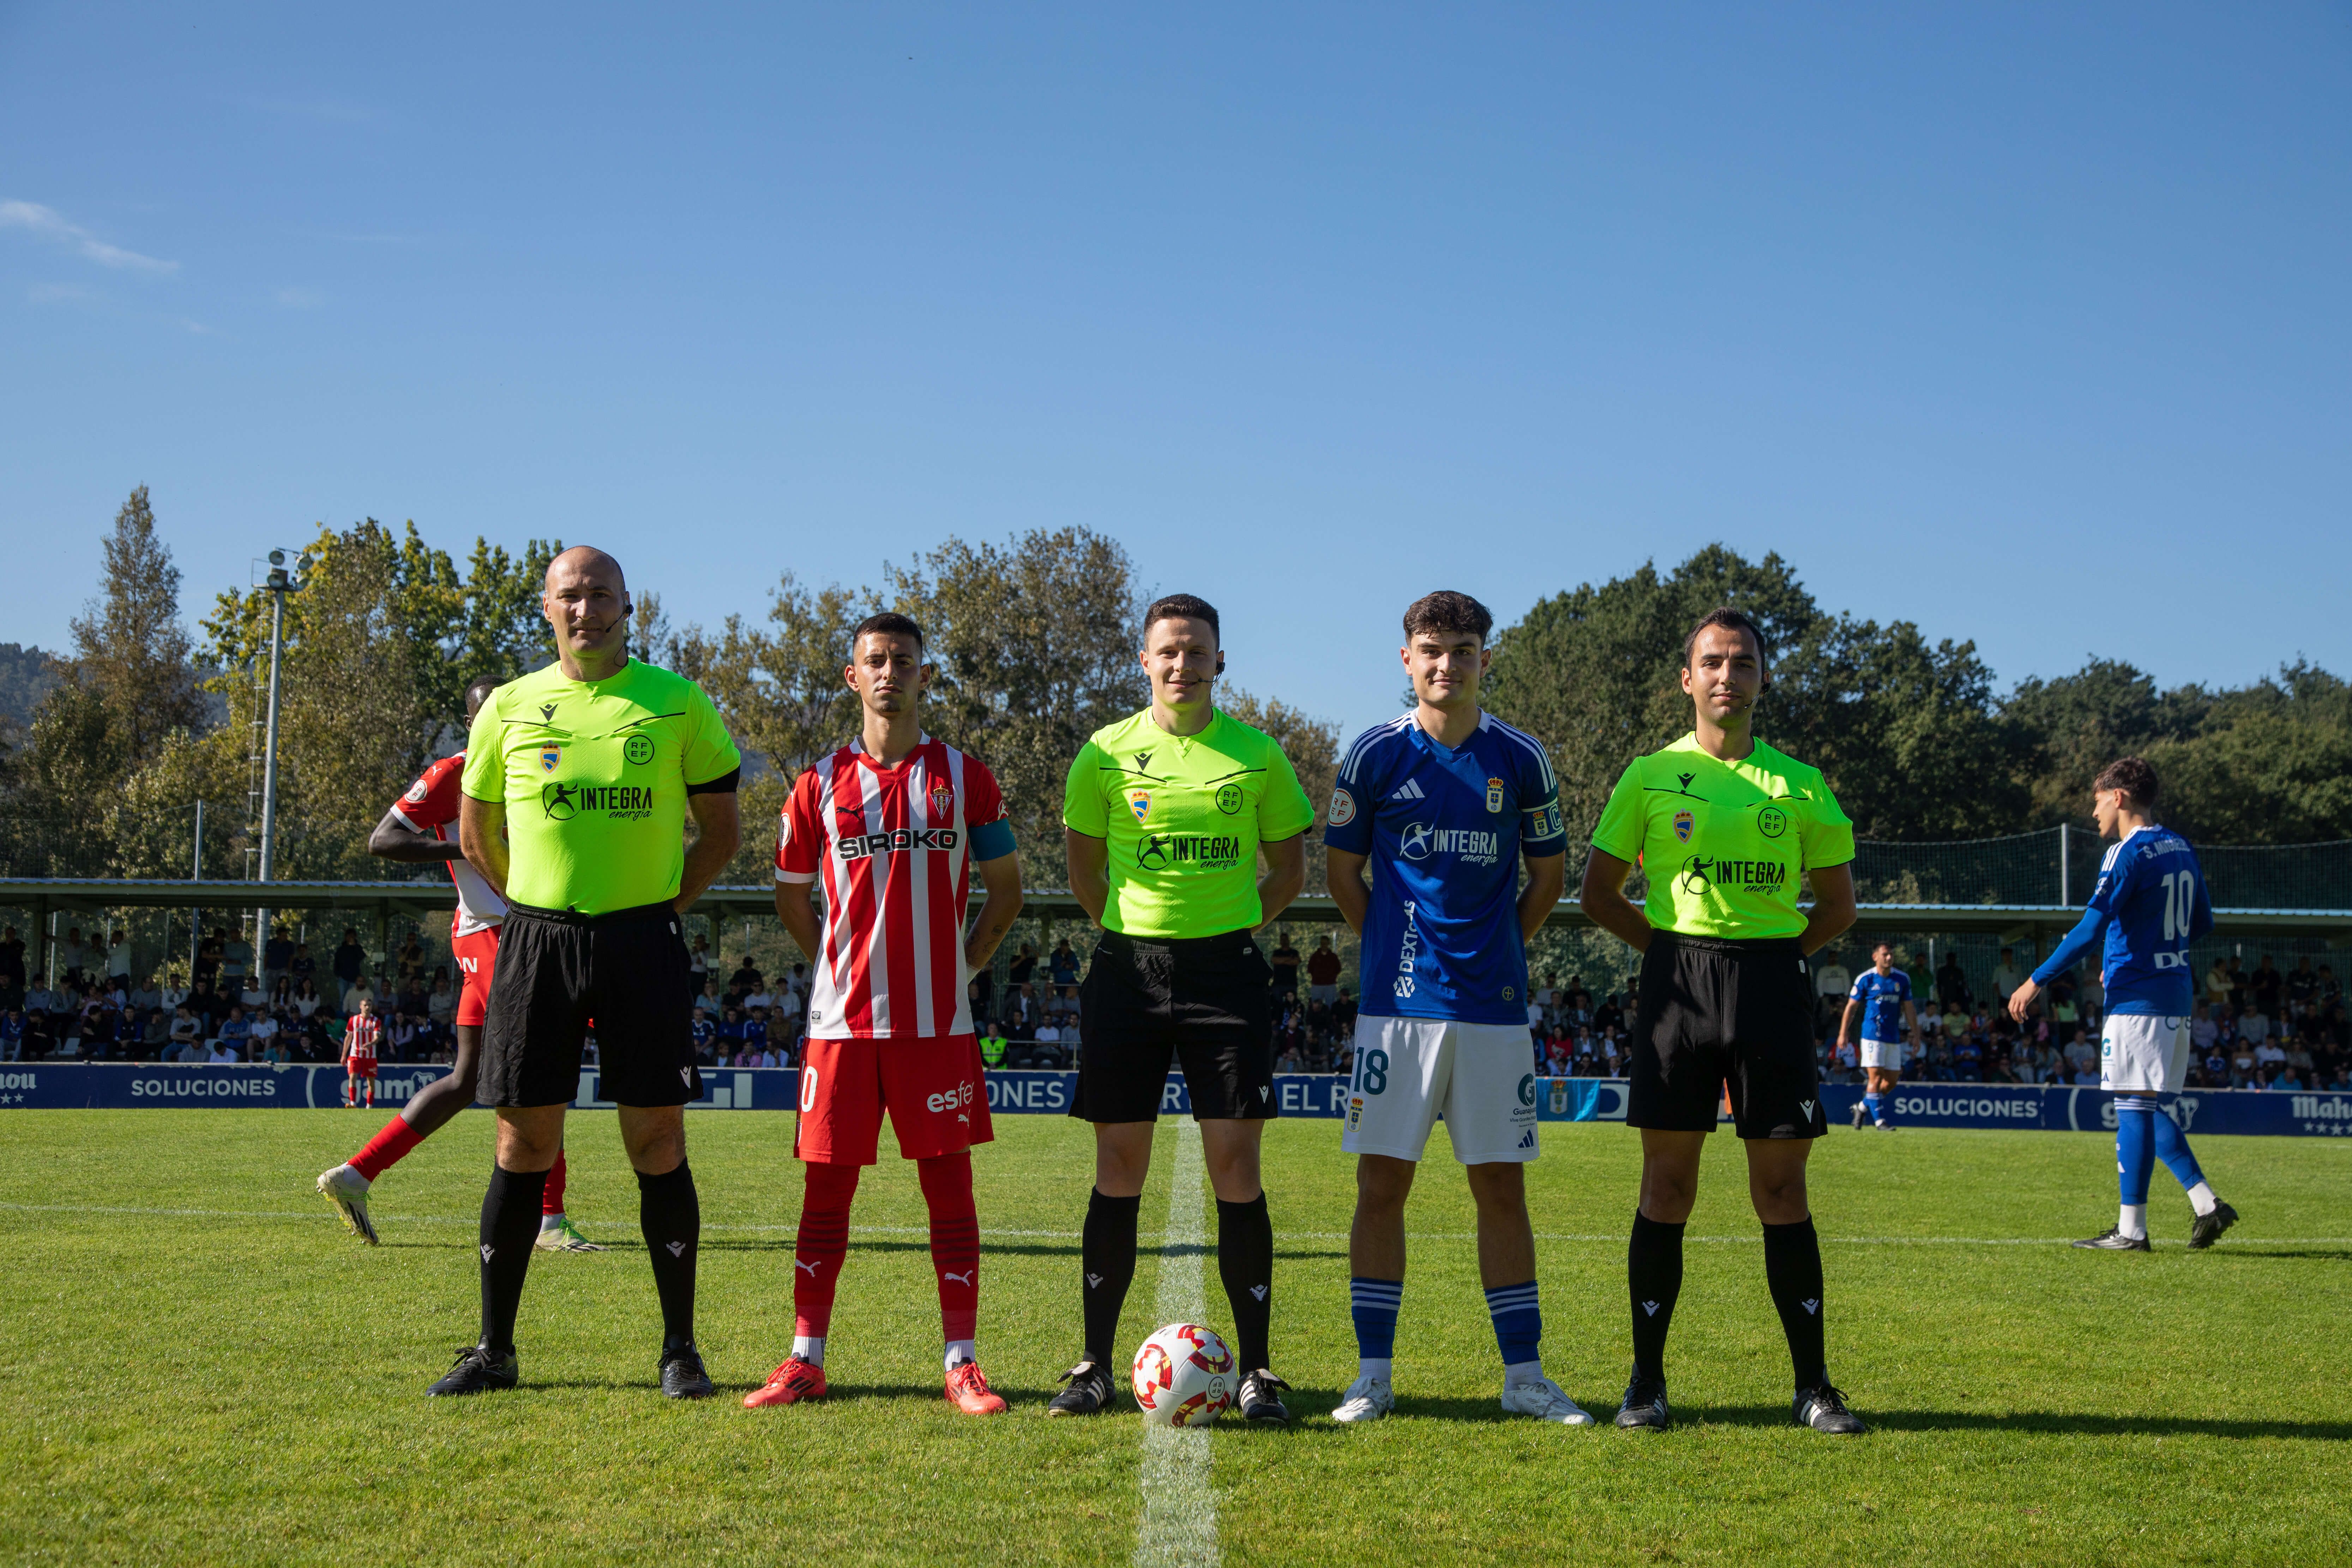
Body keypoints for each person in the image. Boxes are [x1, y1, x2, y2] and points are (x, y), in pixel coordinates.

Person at [424, 545, 743, 1399]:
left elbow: (720, 832)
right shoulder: (510, 706)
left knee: (658, 1141)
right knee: (522, 1140)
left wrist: (660, 907)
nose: (586, 608)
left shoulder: (677, 702)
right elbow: (475, 832)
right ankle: (494, 1348)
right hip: (537, 944)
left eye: (602, 594)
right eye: (571, 594)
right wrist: (530, 905)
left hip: (643, 941)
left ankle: (680, 1348)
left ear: (628, 606)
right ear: (546, 607)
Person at [1579, 607, 1864, 1436]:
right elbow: (1600, 894)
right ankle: (1644, 1383)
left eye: (1742, 662)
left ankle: (1813, 1385)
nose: (1727, 676)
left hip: (1773, 983)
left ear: (1761, 676)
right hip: (1678, 985)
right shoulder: (1648, 775)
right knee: (1666, 1187)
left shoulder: (1800, 782)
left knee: (1782, 1188)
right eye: (1712, 661)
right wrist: (1669, 951)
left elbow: (1839, 906)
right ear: (1687, 677)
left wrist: (1774, 958)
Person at [1322, 590, 1589, 1426]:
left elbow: (1547, 877)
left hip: (1492, 1012)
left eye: (1464, 648)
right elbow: (1341, 873)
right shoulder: (1372, 754)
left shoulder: (1523, 758)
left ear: (1485, 658)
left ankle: (1524, 1374)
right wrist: (1392, 949)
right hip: (1395, 1009)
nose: (1448, 663)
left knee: (1501, 1190)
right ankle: (1372, 1374)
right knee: (1380, 1186)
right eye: (1432, 648)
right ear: (1406, 658)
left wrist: (1497, 950)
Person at [746, 613, 1024, 1415]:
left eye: (904, 660)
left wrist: (961, 965)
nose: (890, 672)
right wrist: (832, 963)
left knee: (951, 1194)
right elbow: (791, 897)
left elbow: (1003, 893)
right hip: (840, 1028)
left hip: (938, 1027)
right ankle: (805, 1358)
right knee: (824, 1195)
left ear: (923, 675)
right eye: (876, 660)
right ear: (852, 674)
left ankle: (963, 1361)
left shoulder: (965, 776)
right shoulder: (816, 785)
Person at [1047, 593, 1314, 1425]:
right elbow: (1086, 872)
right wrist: (1136, 935)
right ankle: (1091, 1361)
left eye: (1196, 650)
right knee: (1117, 1170)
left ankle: (1259, 1369)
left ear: (1219, 661)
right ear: (1143, 659)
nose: (1181, 663)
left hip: (1227, 974)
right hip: (1128, 971)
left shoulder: (1257, 755)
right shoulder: (1104, 754)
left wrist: (1224, 928)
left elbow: (1289, 868)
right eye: (1167, 650)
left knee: (1237, 1168)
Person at [314, 677, 606, 1254]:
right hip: (491, 934)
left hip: (521, 930)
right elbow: (383, 839)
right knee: (543, 1062)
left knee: (467, 1078)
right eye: (491, 712)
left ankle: (354, 1175)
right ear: (473, 722)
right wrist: (466, 846)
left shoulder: (538, 765)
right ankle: (549, 1220)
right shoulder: (454, 773)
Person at [2009, 757, 2236, 1251]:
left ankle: (2131, 1231)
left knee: (2132, 1104)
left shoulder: (2124, 852)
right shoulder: (2181, 846)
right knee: (2146, 1102)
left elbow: (2088, 930)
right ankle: (2206, 1204)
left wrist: (2035, 980)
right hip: (2175, 990)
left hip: (2138, 996)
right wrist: (2152, 945)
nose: (2092, 812)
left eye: (2095, 800)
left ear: (2118, 796)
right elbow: (2201, 923)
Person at [1842, 941, 1918, 1131]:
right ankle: (1880, 1122)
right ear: (1875, 957)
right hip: (1871, 1035)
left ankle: (1861, 1107)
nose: (1889, 958)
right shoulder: (1865, 979)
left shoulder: (1902, 979)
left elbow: (1909, 1008)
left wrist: (1916, 1034)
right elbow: (1852, 1007)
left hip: (1893, 1037)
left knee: (1891, 1082)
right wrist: (1843, 1032)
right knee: (1875, 1078)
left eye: (1891, 954)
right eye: (1885, 954)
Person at [342, 998, 382, 1108]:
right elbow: (349, 1037)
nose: (368, 1007)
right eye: (365, 1005)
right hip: (355, 1054)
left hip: (370, 1057)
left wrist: (371, 1043)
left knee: (371, 1082)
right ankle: (353, 1104)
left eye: (370, 1005)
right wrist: (343, 1055)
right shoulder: (353, 1020)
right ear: (361, 1006)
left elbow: (377, 1037)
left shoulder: (375, 1021)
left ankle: (369, 1106)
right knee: (353, 1077)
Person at [1306, 935, 1342, 1007]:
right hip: (1317, 985)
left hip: (1330, 985)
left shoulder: (1333, 957)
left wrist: (1331, 977)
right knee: (1316, 1006)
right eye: (1322, 943)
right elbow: (1310, 969)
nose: (1324, 945)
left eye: (1326, 943)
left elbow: (1338, 969)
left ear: (1329, 944)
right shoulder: (1315, 956)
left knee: (1331, 1006)